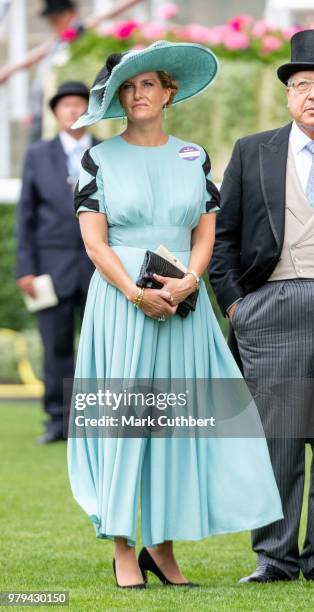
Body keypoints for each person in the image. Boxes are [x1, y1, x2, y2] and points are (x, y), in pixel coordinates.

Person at [67, 40, 283, 589]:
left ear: (170, 94)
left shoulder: (196, 156)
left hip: (185, 305)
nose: (139, 94)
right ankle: (121, 545)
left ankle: (162, 548)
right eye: (130, 86)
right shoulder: (99, 158)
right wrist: (137, 295)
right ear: (120, 96)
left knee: (176, 425)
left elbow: (206, 232)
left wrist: (189, 280)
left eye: (150, 85)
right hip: (121, 305)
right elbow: (95, 244)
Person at [209, 29, 314, 583]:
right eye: (302, 84)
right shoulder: (254, 150)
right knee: (277, 441)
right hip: (270, 308)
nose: (311, 94)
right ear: (288, 94)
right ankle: (275, 558)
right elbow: (222, 239)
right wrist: (236, 306)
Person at [16, 81, 98, 444]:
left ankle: (99, 419)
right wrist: (26, 269)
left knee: (101, 346)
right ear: (55, 113)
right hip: (50, 268)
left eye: (80, 104)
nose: (73, 110)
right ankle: (58, 420)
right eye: (66, 105)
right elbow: (26, 216)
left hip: (101, 267)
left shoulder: (108, 151)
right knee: (56, 347)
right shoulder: (38, 154)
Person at [0, 0, 142, 141]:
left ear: (70, 14)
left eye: (57, 18)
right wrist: (33, 108)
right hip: (46, 109)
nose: (54, 23)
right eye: (52, 19)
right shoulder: (58, 43)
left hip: (73, 108)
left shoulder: (83, 39)